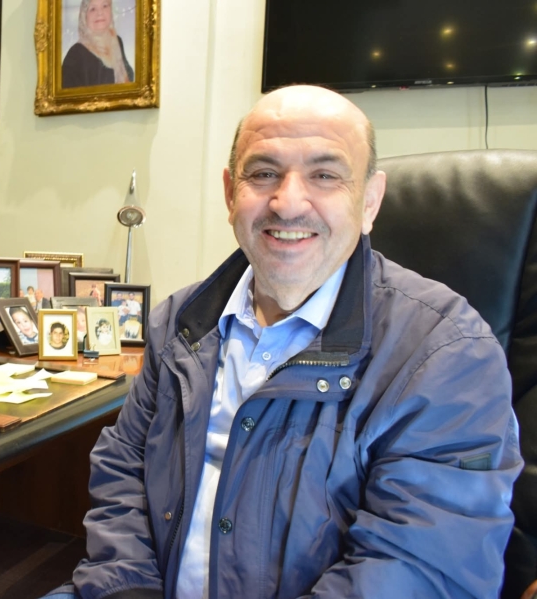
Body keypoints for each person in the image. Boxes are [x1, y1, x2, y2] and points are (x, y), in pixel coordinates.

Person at [49, 85, 523, 598]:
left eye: (325, 175)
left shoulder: (448, 353)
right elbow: (123, 471)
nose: (288, 202)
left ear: (369, 202)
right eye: (263, 173)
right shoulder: (180, 324)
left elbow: (418, 569)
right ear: (231, 194)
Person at [62, 0, 134, 89]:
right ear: (84, 16)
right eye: (93, 9)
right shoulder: (75, 55)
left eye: (105, 6)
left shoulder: (117, 42)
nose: (100, 13)